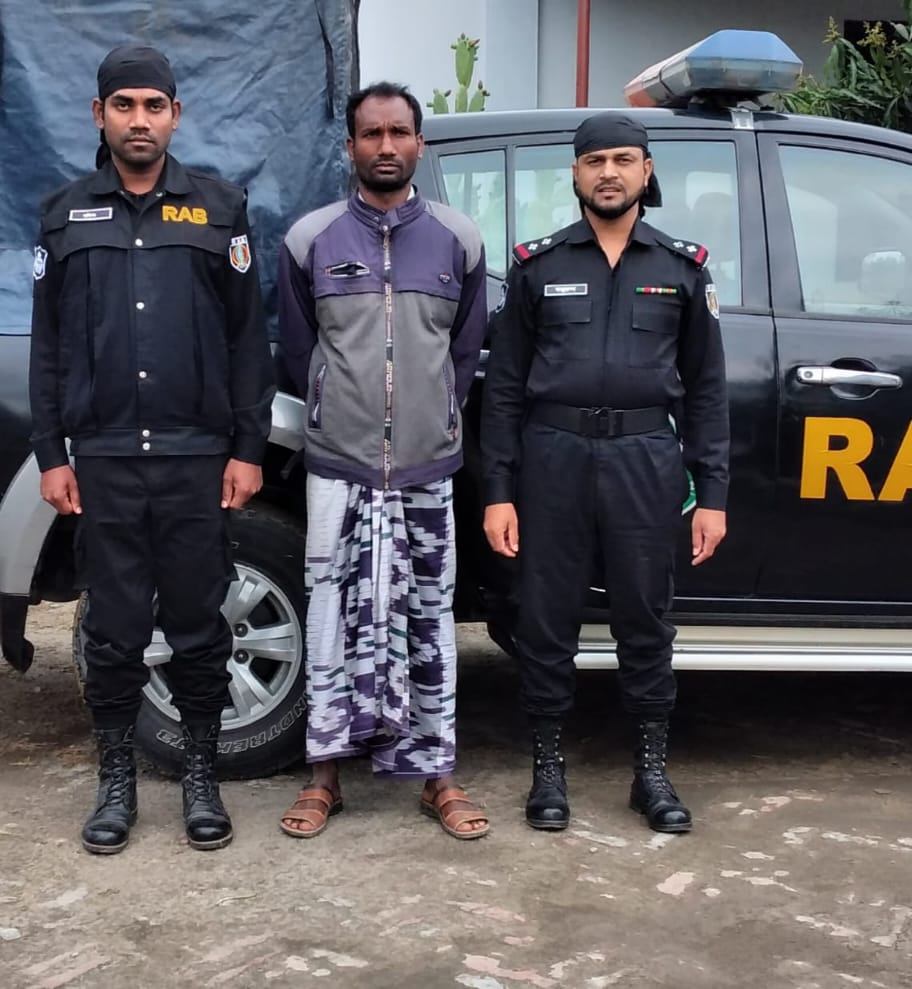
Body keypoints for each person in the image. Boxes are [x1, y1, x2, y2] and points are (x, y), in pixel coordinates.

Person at [29, 45, 275, 854]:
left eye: (154, 105)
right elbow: (49, 346)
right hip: (104, 460)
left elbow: (247, 340)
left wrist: (247, 446)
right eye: (125, 105)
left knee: (201, 625)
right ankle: (116, 781)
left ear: (176, 115)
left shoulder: (219, 211)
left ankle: (202, 776)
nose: (140, 120)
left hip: (195, 458)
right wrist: (52, 453)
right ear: (98, 114)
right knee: (113, 629)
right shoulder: (64, 215)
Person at [481, 111, 729, 834]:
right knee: (545, 619)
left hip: (644, 459)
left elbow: (707, 392)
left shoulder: (682, 269)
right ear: (576, 174)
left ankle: (649, 773)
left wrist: (712, 495)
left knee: (645, 619)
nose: (609, 173)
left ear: (646, 171)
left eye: (623, 160)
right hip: (552, 458)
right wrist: (498, 492)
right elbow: (503, 391)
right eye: (595, 161)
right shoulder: (539, 266)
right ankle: (547, 771)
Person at [276, 82, 490, 840]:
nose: (387, 146)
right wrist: (337, 409)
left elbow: (464, 352)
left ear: (419, 144)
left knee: (429, 619)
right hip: (339, 468)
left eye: (400, 132)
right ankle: (324, 776)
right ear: (350, 147)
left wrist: (433, 414)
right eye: (372, 134)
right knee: (331, 616)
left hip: (428, 469)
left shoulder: (458, 239)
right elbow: (299, 351)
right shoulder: (311, 239)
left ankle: (438, 775)